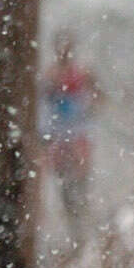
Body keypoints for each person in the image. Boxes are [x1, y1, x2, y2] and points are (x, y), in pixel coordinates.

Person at [40, 32, 105, 237]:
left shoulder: (83, 73)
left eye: (67, 48)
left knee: (81, 173)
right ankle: (72, 216)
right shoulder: (50, 75)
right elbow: (41, 101)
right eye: (61, 48)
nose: (64, 52)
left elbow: (99, 96)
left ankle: (80, 212)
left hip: (78, 131)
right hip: (58, 133)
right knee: (63, 178)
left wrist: (91, 105)